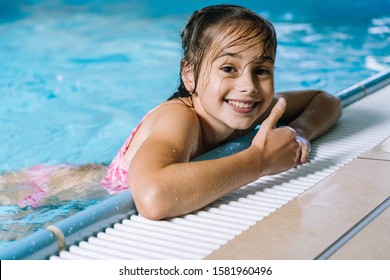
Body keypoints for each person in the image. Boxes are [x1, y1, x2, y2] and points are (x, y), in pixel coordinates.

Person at [0, 4, 342, 219]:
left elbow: (326, 100)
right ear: (189, 74)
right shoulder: (180, 117)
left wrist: (298, 133)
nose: (248, 86)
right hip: (51, 191)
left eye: (261, 70)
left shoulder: (246, 106)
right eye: (228, 69)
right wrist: (260, 161)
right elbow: (152, 196)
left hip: (88, 172)